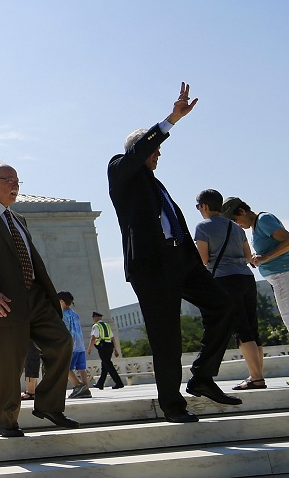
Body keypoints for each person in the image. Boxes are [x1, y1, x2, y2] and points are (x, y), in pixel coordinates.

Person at [107, 83, 239, 423]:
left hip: (182, 261)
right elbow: (138, 154)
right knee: (166, 335)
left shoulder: (156, 183)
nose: (159, 156)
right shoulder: (120, 170)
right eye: (155, 149)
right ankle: (172, 404)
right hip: (151, 266)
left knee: (223, 305)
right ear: (141, 147)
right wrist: (170, 121)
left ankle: (202, 378)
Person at [0, 163, 77, 438]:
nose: (15, 185)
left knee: (61, 342)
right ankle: (7, 421)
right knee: (8, 364)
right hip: (3, 301)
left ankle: (48, 405)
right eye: (8, 180)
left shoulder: (19, 219)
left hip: (36, 297)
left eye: (17, 181)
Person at [195, 189, 265, 390]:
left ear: (205, 206)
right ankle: (258, 374)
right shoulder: (237, 228)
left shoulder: (203, 227)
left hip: (225, 281)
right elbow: (248, 255)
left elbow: (204, 259)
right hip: (246, 278)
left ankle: (256, 378)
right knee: (252, 327)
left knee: (242, 330)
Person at [223, 197, 289, 331]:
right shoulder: (256, 226)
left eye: (235, 220)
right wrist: (258, 258)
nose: (238, 225)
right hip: (280, 277)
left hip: (283, 274)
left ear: (241, 211)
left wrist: (266, 257)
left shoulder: (263, 220)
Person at [58, 292, 91, 399]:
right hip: (80, 345)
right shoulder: (74, 314)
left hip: (71, 345)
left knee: (65, 367)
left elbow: (65, 331)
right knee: (82, 368)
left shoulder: (63, 315)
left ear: (62, 301)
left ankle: (78, 386)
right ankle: (86, 389)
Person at [89, 311, 123, 389]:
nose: (93, 319)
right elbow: (113, 338)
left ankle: (119, 382)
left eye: (93, 317)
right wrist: (116, 349)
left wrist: (89, 349)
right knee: (105, 364)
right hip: (109, 346)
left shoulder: (96, 326)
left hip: (102, 346)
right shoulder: (107, 325)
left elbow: (93, 338)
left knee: (108, 364)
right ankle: (100, 383)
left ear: (96, 317)